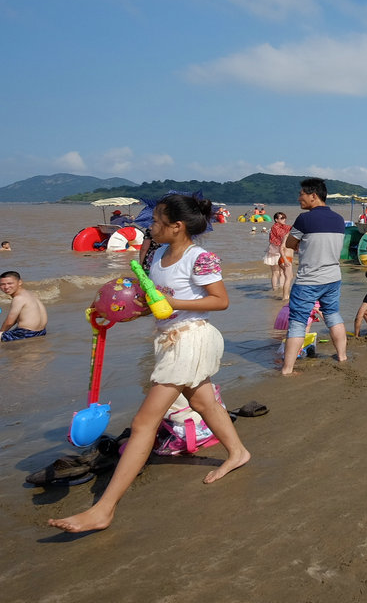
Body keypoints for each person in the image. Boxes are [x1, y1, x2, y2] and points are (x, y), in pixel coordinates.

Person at [48, 194, 249, 533]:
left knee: (143, 423)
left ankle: (103, 510)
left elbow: (220, 301)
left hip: (190, 340)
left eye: (156, 221)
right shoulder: (157, 256)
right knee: (204, 403)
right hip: (169, 340)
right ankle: (238, 452)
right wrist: (113, 313)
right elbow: (152, 304)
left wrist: (172, 302)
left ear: (177, 226)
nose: (149, 226)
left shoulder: (199, 258)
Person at [281, 178, 349, 375]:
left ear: (313, 195)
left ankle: (287, 369)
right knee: (332, 314)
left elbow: (289, 244)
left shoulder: (304, 219)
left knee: (298, 321)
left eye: (301, 194)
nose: (299, 198)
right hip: (333, 278)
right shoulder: (339, 219)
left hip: (308, 280)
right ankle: (342, 356)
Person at [1, 271, 48, 341]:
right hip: (41, 332)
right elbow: (17, 318)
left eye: (10, 283)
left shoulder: (18, 298)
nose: (6, 287)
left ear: (20, 282)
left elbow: (9, 322)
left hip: (25, 334)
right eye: (2, 284)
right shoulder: (29, 293)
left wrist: (1, 332)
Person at [264, 212, 291, 295]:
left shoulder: (285, 226)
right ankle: (275, 289)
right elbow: (281, 235)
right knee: (276, 272)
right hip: (274, 251)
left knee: (283, 272)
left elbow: (292, 229)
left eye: (284, 218)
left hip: (282, 251)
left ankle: (281, 288)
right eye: (282, 218)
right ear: (276, 220)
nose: (284, 219)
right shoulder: (274, 227)